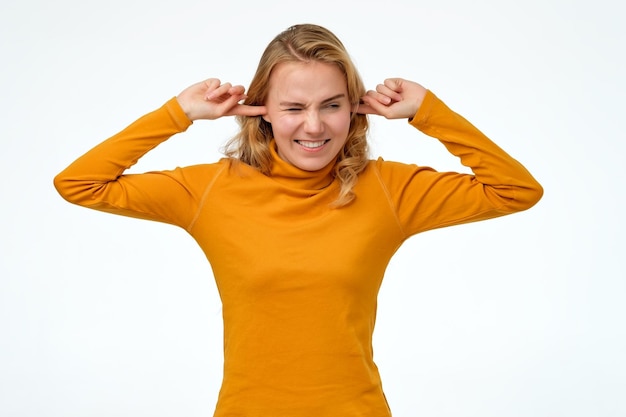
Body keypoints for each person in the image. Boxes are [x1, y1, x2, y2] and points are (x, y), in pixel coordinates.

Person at [54, 23, 543, 417]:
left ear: (354, 108)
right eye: (293, 107)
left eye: (331, 105)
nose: (314, 125)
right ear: (261, 111)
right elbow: (80, 183)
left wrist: (428, 112)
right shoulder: (211, 191)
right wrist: (177, 113)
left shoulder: (389, 191)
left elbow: (516, 190)